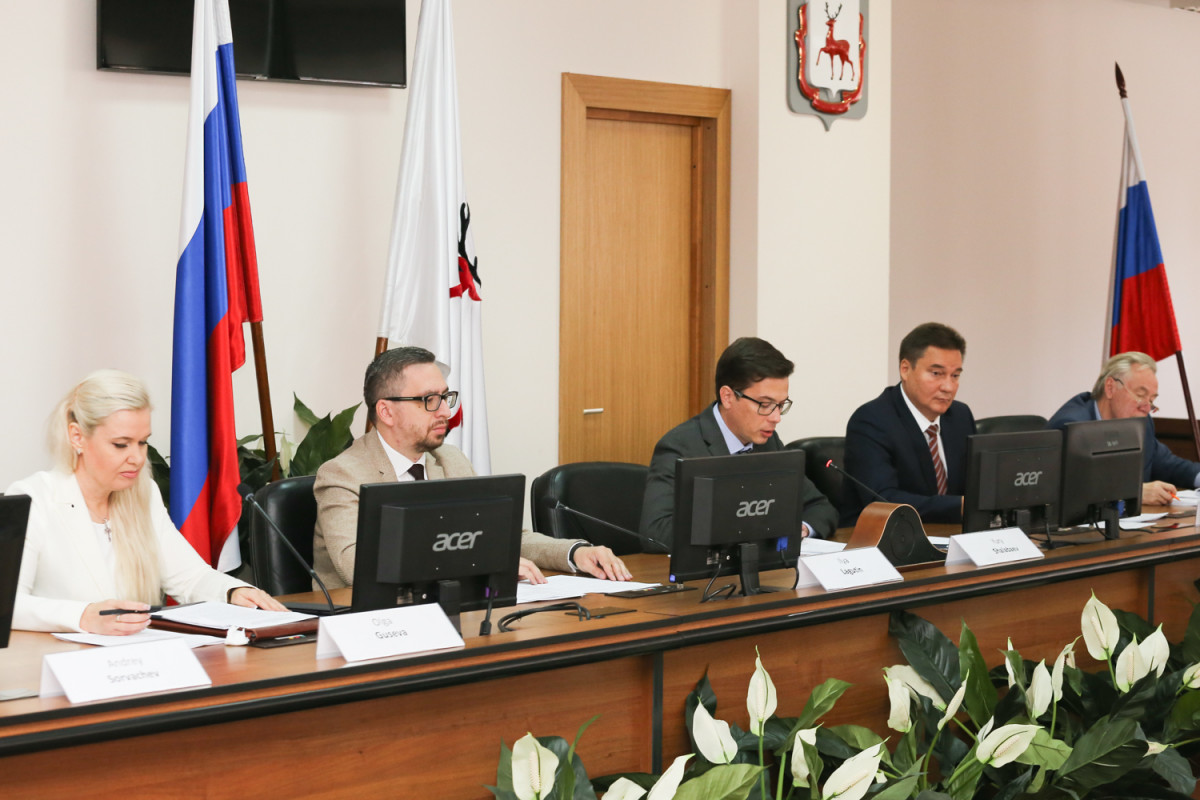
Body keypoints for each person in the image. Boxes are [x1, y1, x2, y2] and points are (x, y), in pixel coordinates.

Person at [313, 347, 631, 590]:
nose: (445, 411)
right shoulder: (344, 474)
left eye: (445, 397)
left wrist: (574, 553)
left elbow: (503, 538)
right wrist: (480, 566)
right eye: (430, 400)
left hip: (447, 611)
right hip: (366, 626)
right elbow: (356, 565)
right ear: (386, 412)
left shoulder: (450, 460)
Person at [6, 370, 285, 635]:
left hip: (136, 657)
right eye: (121, 444)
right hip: (59, 660)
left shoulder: (144, 493)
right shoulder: (35, 498)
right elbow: (8, 605)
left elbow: (189, 577)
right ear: (77, 437)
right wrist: (82, 616)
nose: (138, 458)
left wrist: (233, 592)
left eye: (142, 442)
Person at [638, 337, 838, 548]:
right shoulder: (680, 446)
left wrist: (802, 529)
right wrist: (748, 530)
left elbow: (820, 507)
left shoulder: (769, 443)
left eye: (781, 405)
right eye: (765, 404)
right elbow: (654, 531)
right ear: (728, 397)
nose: (776, 417)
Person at [843, 322, 976, 524]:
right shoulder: (871, 420)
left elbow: (975, 485)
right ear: (905, 369)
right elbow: (883, 500)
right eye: (936, 373)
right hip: (884, 535)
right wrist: (961, 506)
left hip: (950, 534)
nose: (948, 387)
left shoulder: (960, 416)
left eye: (955, 375)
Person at [1047, 351, 1200, 506]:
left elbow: (1170, 465)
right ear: (1110, 388)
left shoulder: (1142, 423)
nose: (1147, 407)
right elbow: (1069, 488)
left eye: (1152, 400)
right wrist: (1132, 492)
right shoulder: (1072, 426)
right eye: (1140, 395)